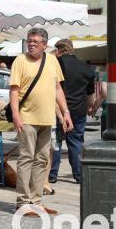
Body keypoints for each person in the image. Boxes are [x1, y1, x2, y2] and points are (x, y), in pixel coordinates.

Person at [9, 27, 73, 217]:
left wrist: (66, 112)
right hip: (27, 118)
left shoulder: (53, 61)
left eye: (36, 42)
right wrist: (15, 115)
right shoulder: (20, 61)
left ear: (45, 45)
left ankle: (36, 201)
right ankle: (22, 202)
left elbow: (58, 89)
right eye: (29, 41)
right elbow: (14, 90)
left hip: (47, 119)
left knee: (42, 160)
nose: (31, 44)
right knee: (26, 159)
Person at [48, 39, 94, 185]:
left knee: (56, 142)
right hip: (79, 110)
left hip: (58, 108)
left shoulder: (57, 64)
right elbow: (90, 95)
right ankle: (79, 175)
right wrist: (89, 107)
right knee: (76, 142)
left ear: (59, 50)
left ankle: (52, 175)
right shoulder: (86, 68)